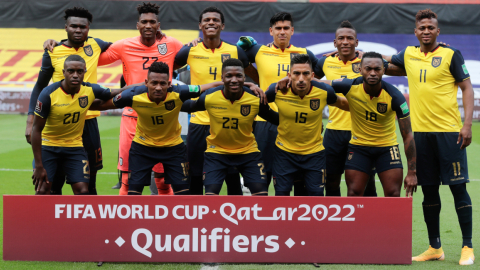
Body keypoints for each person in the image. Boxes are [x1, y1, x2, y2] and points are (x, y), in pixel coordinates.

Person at [384, 9, 475, 265]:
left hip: (449, 133)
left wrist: (466, 125)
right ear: (415, 31)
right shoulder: (408, 54)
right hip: (420, 135)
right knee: (429, 192)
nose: (426, 31)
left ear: (437, 31)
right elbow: (384, 60)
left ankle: (467, 246)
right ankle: (435, 247)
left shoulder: (451, 54)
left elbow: (467, 88)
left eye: (430, 28)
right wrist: (353, 54)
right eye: (421, 28)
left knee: (458, 188)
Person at [90, 62, 224, 195]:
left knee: (183, 194)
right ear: (146, 82)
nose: (158, 88)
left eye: (162, 83)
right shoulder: (132, 95)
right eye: (154, 83)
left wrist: (243, 86)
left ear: (169, 84)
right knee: (133, 194)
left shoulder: (179, 92)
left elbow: (211, 86)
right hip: (142, 148)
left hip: (173, 148)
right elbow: (102, 105)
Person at [96, 2, 184, 195]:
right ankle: (125, 223)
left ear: (158, 25)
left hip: (162, 119)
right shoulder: (124, 45)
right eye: (144, 21)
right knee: (127, 179)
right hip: (132, 116)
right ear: (138, 25)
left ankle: (167, 223)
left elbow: (194, 56)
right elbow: (94, 57)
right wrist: (61, 44)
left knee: (163, 181)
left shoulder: (171, 44)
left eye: (152, 22)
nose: (148, 25)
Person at [27, 7, 110, 195]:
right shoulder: (53, 50)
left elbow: (130, 47)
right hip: (58, 120)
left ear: (89, 28)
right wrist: (30, 118)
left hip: (87, 120)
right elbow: (40, 86)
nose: (78, 30)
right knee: (52, 183)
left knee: (89, 181)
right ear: (66, 27)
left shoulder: (96, 45)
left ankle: (88, 223)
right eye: (74, 26)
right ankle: (53, 223)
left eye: (83, 26)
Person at [174, 6, 252, 195]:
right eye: (207, 20)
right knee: (195, 175)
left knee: (232, 176)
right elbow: (168, 73)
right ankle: (196, 218)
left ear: (222, 25)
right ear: (200, 25)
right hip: (199, 121)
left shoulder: (235, 51)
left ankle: (236, 220)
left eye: (215, 20)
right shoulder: (188, 51)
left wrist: (253, 88)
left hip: (228, 122)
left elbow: (252, 76)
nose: (211, 22)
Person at [320, 52, 417, 199]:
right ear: (360, 69)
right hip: (359, 147)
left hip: (387, 148)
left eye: (377, 69)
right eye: (368, 69)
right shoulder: (350, 86)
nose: (372, 73)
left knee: (393, 194)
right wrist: (290, 80)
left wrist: (412, 172)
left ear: (384, 70)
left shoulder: (395, 96)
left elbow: (407, 134)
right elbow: (319, 83)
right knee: (354, 193)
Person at [241, 12, 319, 195]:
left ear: (292, 31)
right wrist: (257, 79)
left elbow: (320, 76)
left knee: (298, 178)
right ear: (271, 31)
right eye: (278, 28)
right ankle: (262, 217)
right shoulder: (257, 51)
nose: (282, 32)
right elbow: (239, 63)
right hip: (265, 121)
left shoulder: (305, 54)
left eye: (286, 28)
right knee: (262, 177)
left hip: (296, 123)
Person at [182, 58, 278, 196]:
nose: (234, 80)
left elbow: (276, 119)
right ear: (222, 78)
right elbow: (187, 106)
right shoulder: (210, 97)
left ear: (244, 77)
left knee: (261, 194)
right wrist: (163, 100)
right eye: (229, 76)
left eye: (238, 76)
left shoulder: (255, 98)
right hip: (216, 153)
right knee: (210, 195)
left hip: (248, 153)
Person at [265, 54, 349, 196]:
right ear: (289, 75)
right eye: (296, 74)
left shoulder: (324, 91)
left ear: (313, 75)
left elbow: (347, 105)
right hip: (284, 153)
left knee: (316, 196)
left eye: (306, 73)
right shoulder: (277, 91)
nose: (301, 79)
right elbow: (256, 104)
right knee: (281, 195)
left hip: (314, 154)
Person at [31, 55, 115, 195]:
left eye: (79, 72)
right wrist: (39, 166)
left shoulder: (90, 90)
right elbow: (36, 129)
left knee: (83, 191)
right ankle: (43, 217)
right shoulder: (48, 94)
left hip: (74, 147)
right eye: (70, 71)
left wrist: (142, 87)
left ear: (84, 72)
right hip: (49, 146)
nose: (75, 75)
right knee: (43, 190)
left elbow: (118, 92)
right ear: (63, 72)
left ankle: (78, 218)